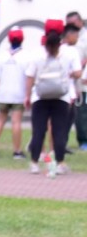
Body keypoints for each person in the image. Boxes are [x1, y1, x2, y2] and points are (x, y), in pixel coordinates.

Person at [24, 23, 81, 175]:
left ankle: (35, 163)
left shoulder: (36, 53)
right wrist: (68, 75)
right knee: (59, 131)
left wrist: (27, 95)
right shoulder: (69, 53)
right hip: (62, 97)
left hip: (40, 96)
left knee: (38, 130)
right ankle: (60, 163)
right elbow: (78, 73)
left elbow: (30, 76)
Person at [0, 29, 28, 159]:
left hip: (3, 93)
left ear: (9, 40)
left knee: (0, 120)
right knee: (16, 121)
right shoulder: (25, 56)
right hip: (18, 93)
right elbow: (28, 76)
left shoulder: (2, 55)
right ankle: (17, 151)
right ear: (22, 39)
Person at [67, 11, 87, 151]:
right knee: (65, 112)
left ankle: (83, 140)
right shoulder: (67, 37)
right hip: (67, 80)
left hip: (82, 79)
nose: (71, 27)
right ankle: (62, 141)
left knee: (81, 112)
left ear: (80, 22)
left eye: (73, 24)